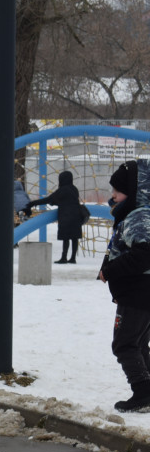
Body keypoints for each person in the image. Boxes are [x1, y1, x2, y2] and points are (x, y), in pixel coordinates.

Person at [98, 160, 150, 412]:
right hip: (138, 292)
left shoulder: (140, 215)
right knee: (138, 343)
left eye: (118, 191)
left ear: (136, 191)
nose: (113, 196)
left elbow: (144, 254)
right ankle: (147, 390)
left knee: (124, 344)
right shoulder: (138, 214)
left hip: (139, 293)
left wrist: (110, 271)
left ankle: (142, 392)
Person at [24, 171, 83, 263]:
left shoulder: (62, 189)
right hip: (76, 215)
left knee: (66, 237)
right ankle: (73, 258)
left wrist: (33, 203)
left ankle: (64, 257)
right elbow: (66, 199)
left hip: (66, 215)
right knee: (74, 237)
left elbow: (50, 199)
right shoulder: (74, 189)